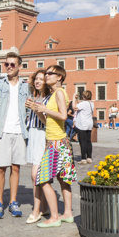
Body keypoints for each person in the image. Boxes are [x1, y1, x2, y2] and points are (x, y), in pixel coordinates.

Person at [32, 65, 76, 228]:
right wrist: (38, 112)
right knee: (63, 179)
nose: (46, 76)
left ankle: (55, 216)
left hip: (56, 144)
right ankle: (68, 213)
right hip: (58, 141)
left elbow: (64, 116)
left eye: (50, 73)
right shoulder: (53, 95)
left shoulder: (58, 92)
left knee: (42, 179)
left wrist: (44, 109)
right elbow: (49, 122)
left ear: (59, 77)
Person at [0, 52, 29, 219]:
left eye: (12, 64)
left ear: (19, 66)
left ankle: (13, 201)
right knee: (0, 169)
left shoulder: (26, 87)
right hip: (2, 130)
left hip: (20, 131)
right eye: (7, 64)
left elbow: (32, 104)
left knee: (16, 168)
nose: (9, 67)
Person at [24, 70, 50, 224]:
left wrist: (36, 109)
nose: (38, 81)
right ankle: (45, 206)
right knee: (36, 174)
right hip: (33, 135)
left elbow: (47, 122)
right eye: (36, 79)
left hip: (42, 135)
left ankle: (36, 210)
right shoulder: (36, 97)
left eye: (41, 79)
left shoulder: (48, 98)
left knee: (36, 175)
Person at [73, 89, 94, 163]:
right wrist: (77, 100)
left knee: (82, 142)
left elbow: (74, 107)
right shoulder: (91, 103)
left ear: (84, 96)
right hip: (89, 124)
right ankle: (89, 157)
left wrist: (73, 98)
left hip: (82, 124)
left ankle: (83, 159)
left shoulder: (83, 103)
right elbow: (80, 105)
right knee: (88, 141)